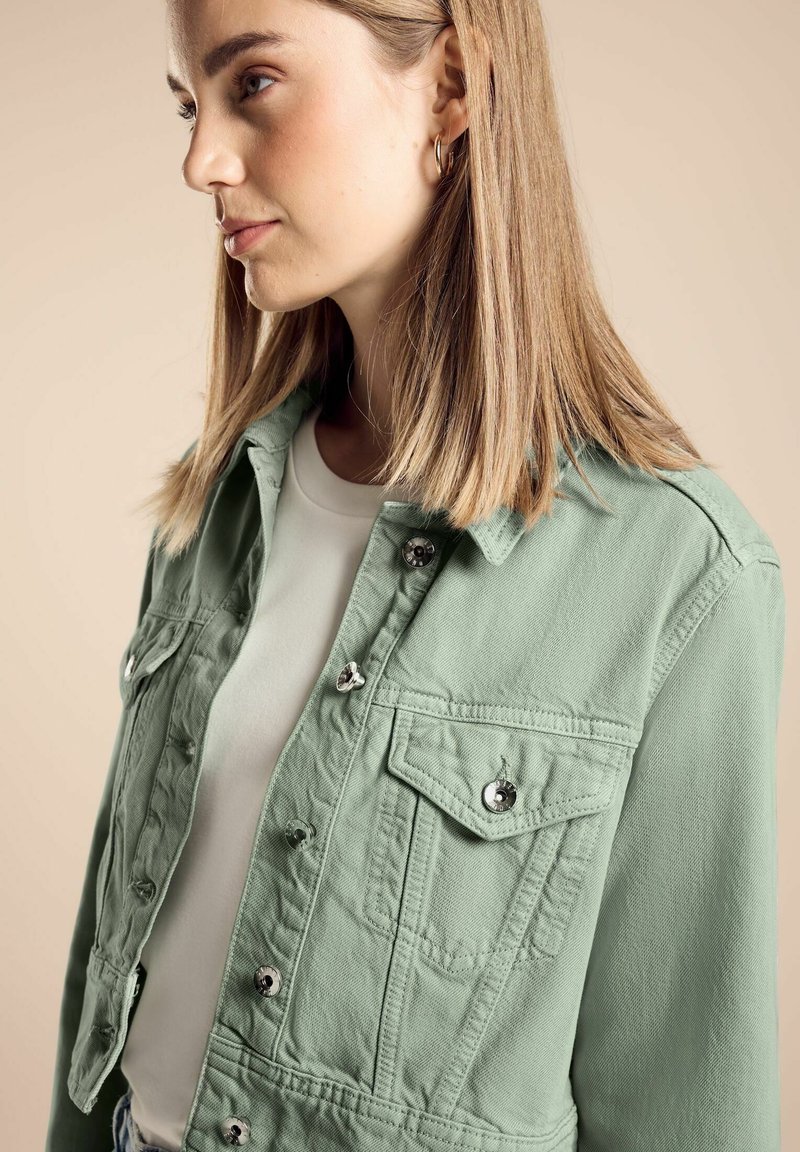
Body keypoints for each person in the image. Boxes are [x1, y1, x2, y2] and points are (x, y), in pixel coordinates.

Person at [45, 1, 786, 1150]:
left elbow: (684, 1100)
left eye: (252, 86)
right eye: (190, 106)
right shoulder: (215, 504)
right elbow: (105, 981)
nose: (202, 162)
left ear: (447, 88)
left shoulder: (680, 577)